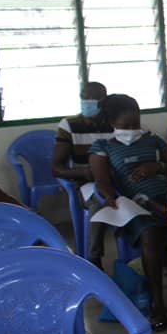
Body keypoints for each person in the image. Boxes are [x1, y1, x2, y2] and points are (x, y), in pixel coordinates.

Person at [89, 94, 167, 331]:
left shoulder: (153, 140)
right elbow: (101, 180)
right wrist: (109, 198)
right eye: (125, 126)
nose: (132, 130)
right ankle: (157, 303)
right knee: (151, 234)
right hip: (136, 205)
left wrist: (156, 166)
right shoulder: (103, 147)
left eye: (136, 124)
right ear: (112, 123)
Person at [51, 81, 114, 268]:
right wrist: (84, 172)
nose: (87, 102)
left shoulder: (114, 123)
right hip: (87, 183)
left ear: (104, 102)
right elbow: (56, 167)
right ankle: (94, 258)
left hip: (116, 179)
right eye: (84, 97)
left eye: (92, 99)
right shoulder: (69, 125)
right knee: (98, 201)